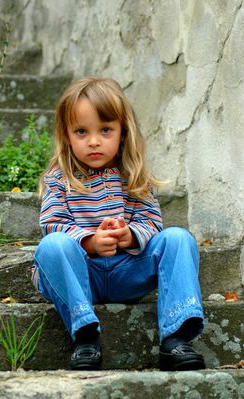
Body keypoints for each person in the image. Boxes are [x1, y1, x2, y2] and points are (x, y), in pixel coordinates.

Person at [32, 76, 206, 371]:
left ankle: (176, 337)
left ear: (123, 132)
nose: (94, 141)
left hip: (128, 272)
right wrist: (89, 241)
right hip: (82, 277)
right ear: (67, 135)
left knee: (178, 239)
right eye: (82, 132)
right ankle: (85, 335)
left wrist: (130, 236)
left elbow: (151, 221)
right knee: (51, 247)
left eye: (105, 130)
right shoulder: (59, 179)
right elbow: (52, 223)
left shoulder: (133, 177)